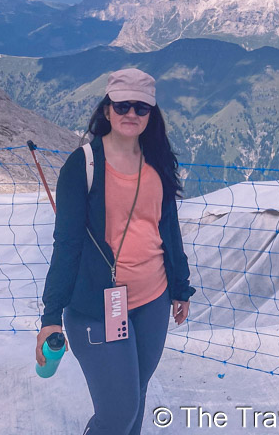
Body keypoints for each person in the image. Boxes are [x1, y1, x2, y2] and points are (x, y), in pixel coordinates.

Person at [36, 68, 195, 435]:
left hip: (153, 300)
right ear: (107, 110)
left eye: (141, 107)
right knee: (118, 412)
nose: (131, 114)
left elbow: (167, 229)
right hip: (95, 306)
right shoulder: (84, 165)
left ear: (151, 114)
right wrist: (50, 316)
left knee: (133, 401)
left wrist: (180, 286)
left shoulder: (158, 160)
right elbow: (67, 244)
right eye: (122, 105)